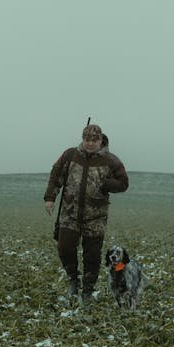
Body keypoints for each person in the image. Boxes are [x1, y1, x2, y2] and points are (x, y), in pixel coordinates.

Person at [44, 123, 129, 304]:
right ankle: (73, 280)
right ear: (82, 139)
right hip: (69, 212)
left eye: (94, 140)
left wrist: (107, 184)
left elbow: (123, 183)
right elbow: (56, 174)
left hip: (96, 216)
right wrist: (50, 197)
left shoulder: (111, 160)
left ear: (100, 140)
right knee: (64, 248)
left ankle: (88, 290)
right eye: (87, 139)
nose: (90, 143)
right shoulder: (70, 155)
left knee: (92, 255)